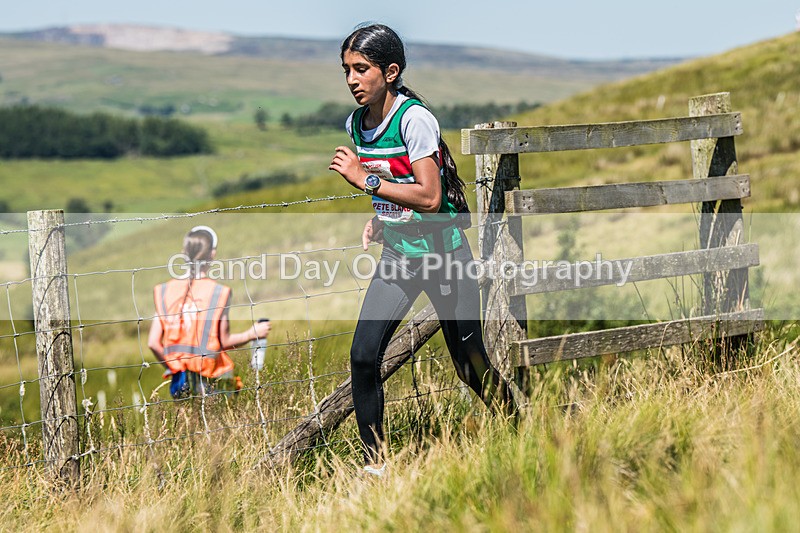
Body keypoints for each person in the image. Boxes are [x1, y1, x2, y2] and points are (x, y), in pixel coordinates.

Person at [329, 24, 518, 476]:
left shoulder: (415, 120)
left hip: (443, 256)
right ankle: (376, 468)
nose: (352, 80)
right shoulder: (357, 123)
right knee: (363, 355)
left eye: (362, 69)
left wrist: (365, 181)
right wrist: (382, 216)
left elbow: (431, 197)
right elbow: (397, 187)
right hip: (398, 256)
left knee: (469, 366)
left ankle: (520, 428)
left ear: (390, 72)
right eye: (346, 71)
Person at [147, 225, 271, 399]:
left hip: (179, 379)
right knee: (212, 424)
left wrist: (176, 368)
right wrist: (252, 333)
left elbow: (153, 342)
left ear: (184, 251)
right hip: (210, 377)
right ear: (212, 254)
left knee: (186, 423)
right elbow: (224, 341)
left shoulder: (164, 291)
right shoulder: (218, 292)